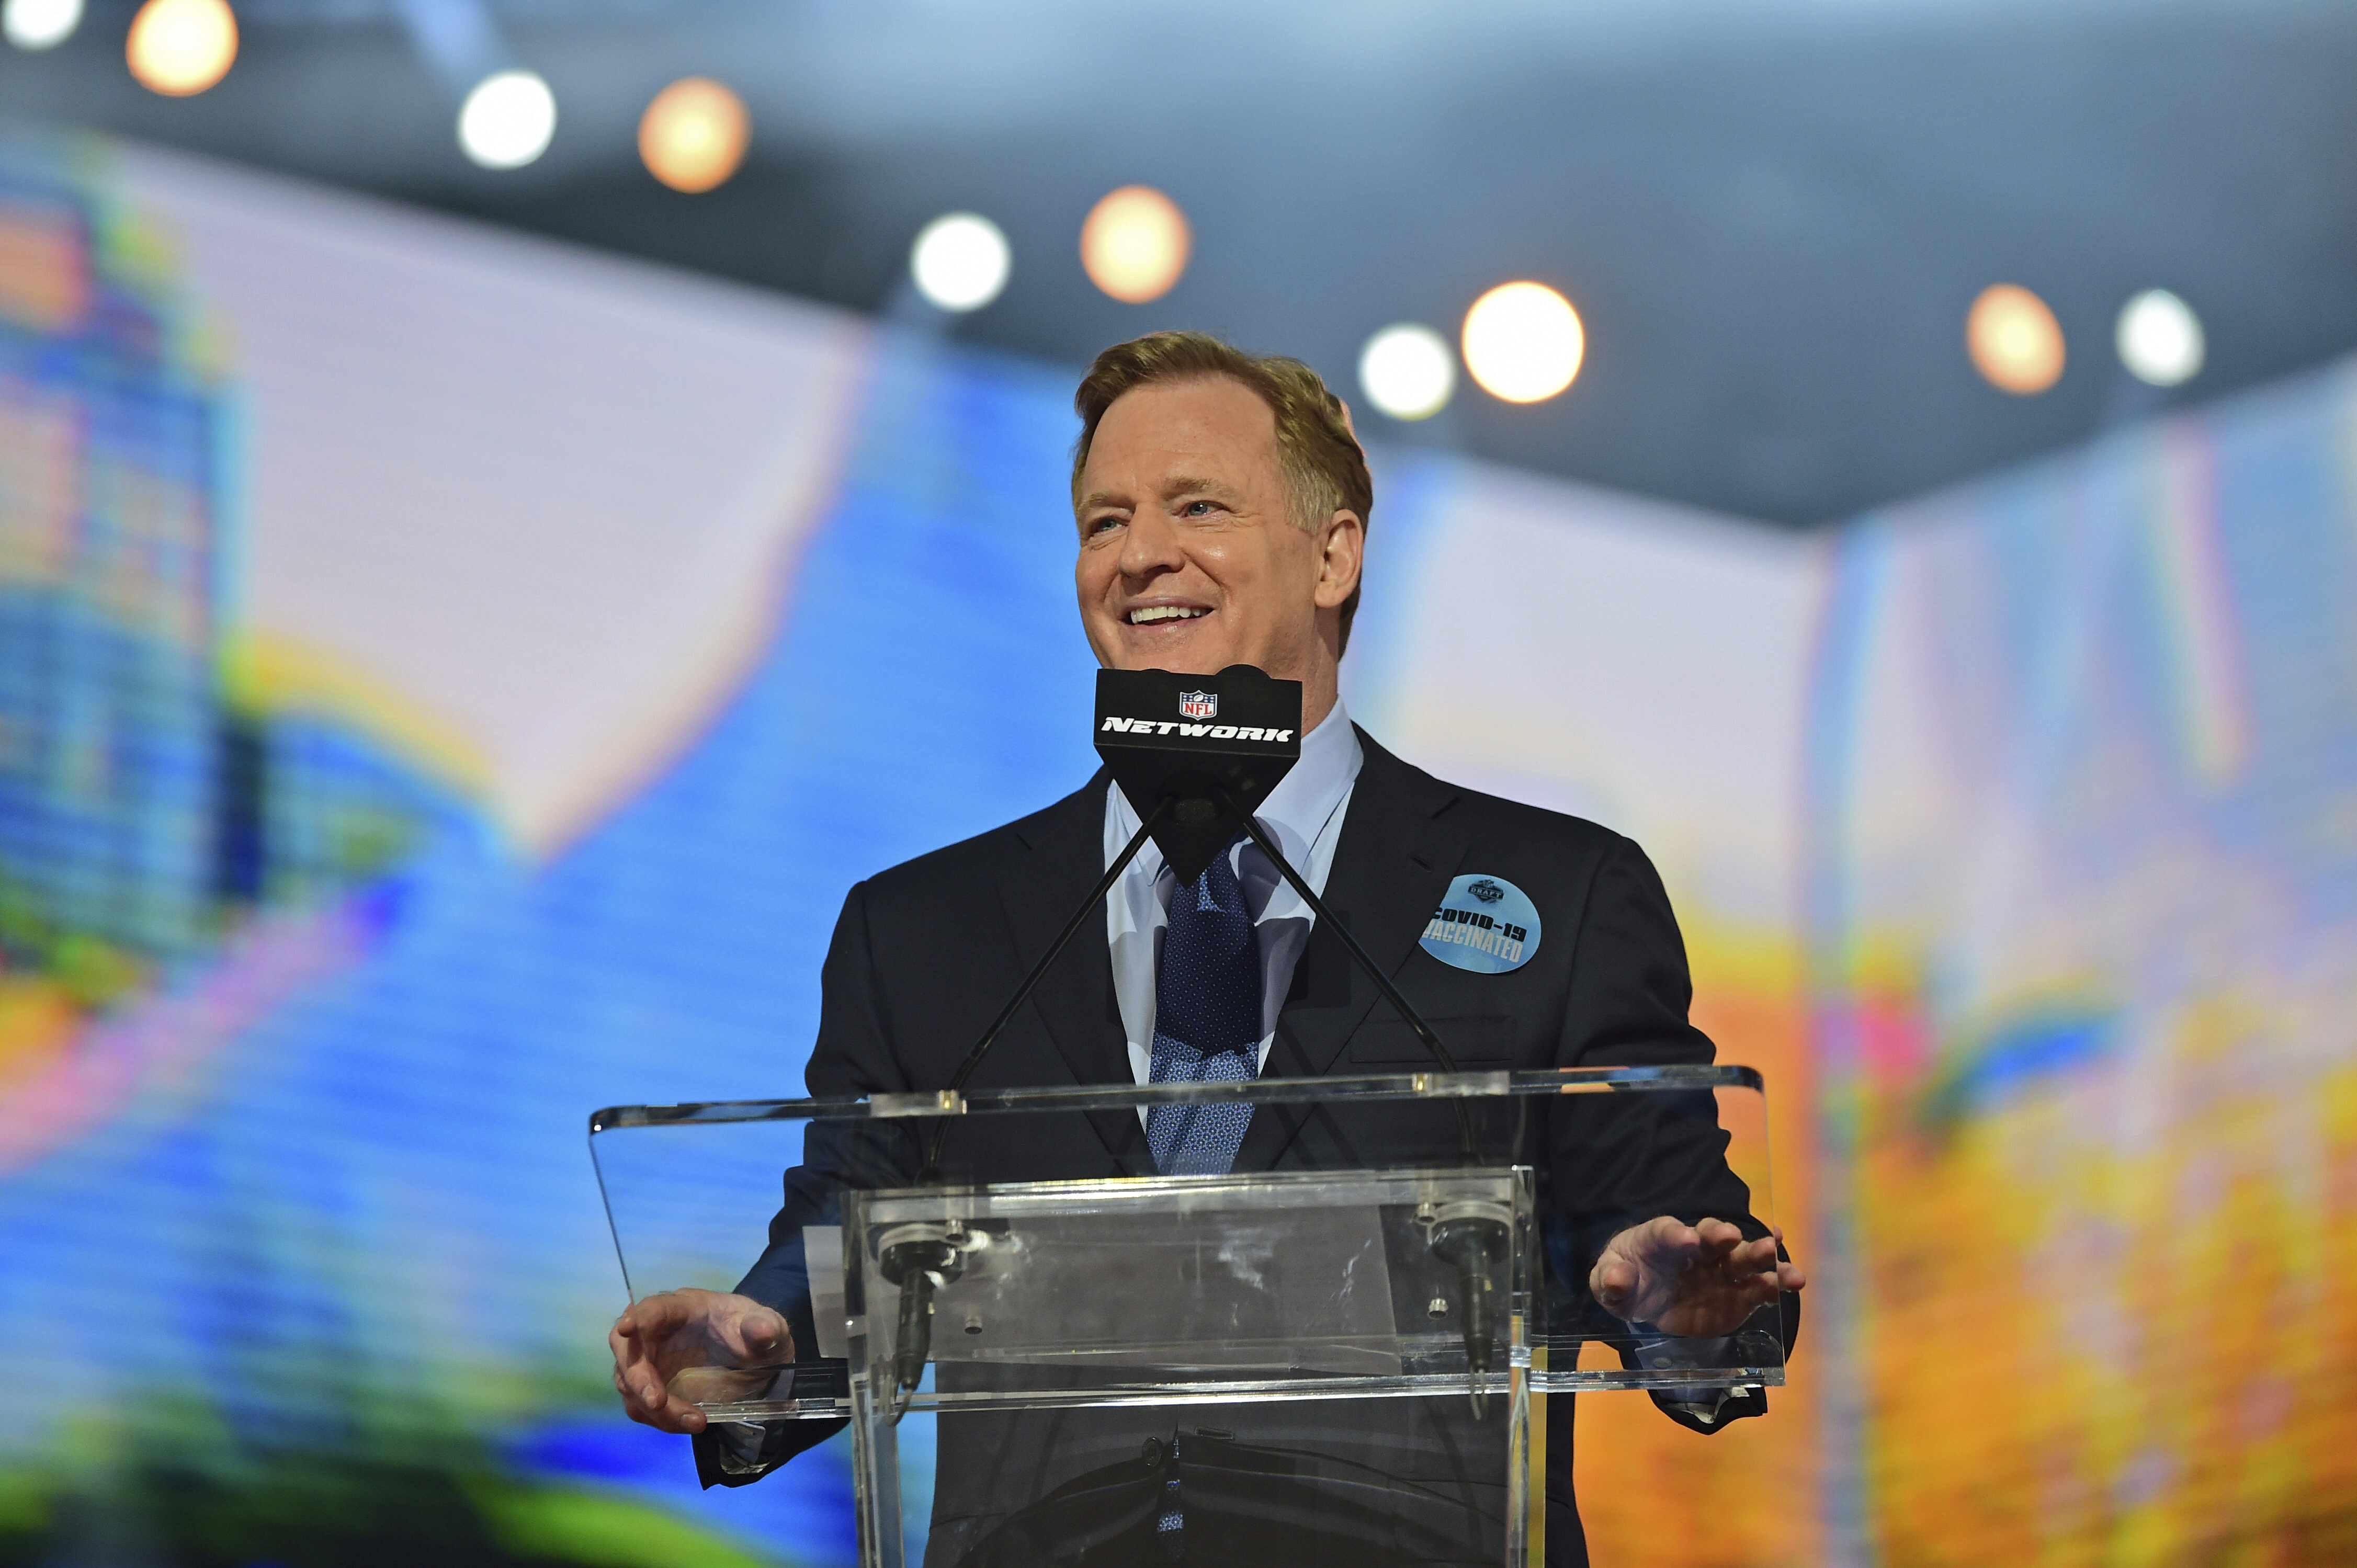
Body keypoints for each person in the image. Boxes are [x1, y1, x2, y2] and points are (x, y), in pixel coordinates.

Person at [608, 331, 1804, 1565]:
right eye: (1103, 520)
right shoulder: (924, 930)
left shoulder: (1561, 892)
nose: (1138, 555)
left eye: (1199, 506)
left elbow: (1675, 1242)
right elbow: (849, 1233)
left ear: (1334, 553)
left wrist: (1684, 1306)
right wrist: (753, 1350)